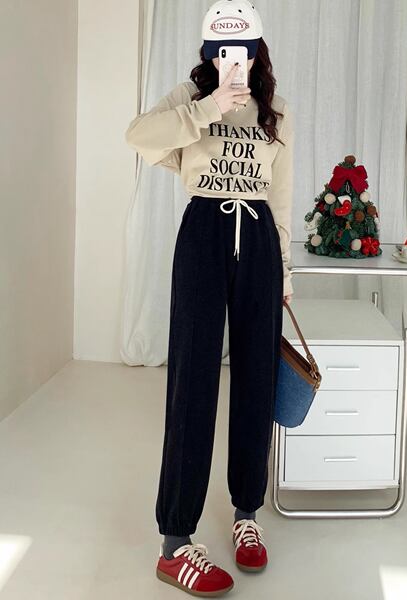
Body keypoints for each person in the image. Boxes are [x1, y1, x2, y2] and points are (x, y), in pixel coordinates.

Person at [125, 0, 294, 595]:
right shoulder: (190, 97)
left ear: (257, 51)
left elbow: (280, 192)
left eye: (241, 50)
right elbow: (139, 137)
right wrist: (205, 109)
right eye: (222, 51)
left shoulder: (275, 109)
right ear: (209, 53)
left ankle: (247, 513)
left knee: (256, 379)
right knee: (192, 378)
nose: (232, 61)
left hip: (260, 238)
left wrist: (284, 270)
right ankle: (175, 542)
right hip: (203, 230)